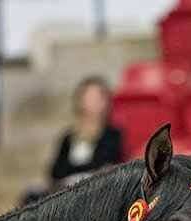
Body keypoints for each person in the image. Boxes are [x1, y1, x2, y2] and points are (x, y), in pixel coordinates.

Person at [23, 76, 124, 204]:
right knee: (32, 195)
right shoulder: (69, 137)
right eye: (89, 97)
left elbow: (104, 164)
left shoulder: (112, 135)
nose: (93, 102)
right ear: (80, 100)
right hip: (63, 190)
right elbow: (55, 170)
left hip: (93, 190)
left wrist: (73, 171)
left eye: (98, 98)